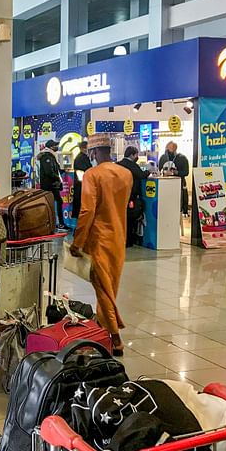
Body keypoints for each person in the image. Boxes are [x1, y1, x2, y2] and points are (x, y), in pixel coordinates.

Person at [69, 133, 133, 356]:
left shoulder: (92, 175)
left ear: (94, 152)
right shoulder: (126, 174)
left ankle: (115, 338)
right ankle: (102, 326)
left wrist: (77, 243)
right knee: (109, 287)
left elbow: (87, 211)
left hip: (99, 239)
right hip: (119, 237)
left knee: (103, 289)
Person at [118, 146, 150, 246]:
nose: (137, 157)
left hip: (119, 195)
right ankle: (129, 240)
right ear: (132, 155)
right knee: (130, 218)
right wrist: (149, 171)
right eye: (136, 155)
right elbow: (141, 175)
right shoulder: (132, 165)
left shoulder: (118, 164)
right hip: (131, 196)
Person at [37, 139, 69, 230]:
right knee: (56, 202)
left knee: (55, 202)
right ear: (51, 147)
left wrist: (65, 169)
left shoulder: (51, 156)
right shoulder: (46, 157)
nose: (56, 147)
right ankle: (58, 223)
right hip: (49, 185)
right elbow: (49, 172)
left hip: (52, 184)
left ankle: (55, 223)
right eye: (55, 146)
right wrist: (57, 178)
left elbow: (58, 169)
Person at [158, 141, 190, 216]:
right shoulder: (163, 158)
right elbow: (159, 170)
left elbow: (186, 172)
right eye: (167, 150)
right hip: (165, 185)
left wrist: (176, 173)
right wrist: (164, 173)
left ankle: (182, 211)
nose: (168, 152)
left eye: (169, 150)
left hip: (179, 185)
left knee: (179, 204)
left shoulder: (182, 158)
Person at [71, 139, 92, 222]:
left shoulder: (84, 158)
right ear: (83, 148)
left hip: (82, 186)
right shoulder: (80, 159)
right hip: (81, 187)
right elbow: (83, 173)